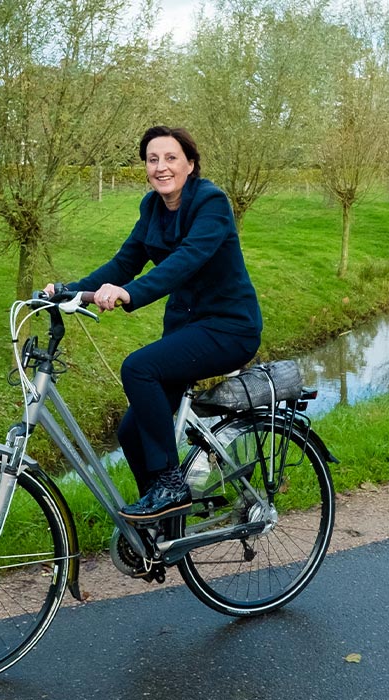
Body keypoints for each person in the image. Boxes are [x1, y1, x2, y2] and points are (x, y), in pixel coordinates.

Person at [46, 125, 263, 521]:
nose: (161, 167)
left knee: (139, 367)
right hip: (188, 332)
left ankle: (171, 487)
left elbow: (187, 260)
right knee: (131, 433)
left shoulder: (211, 203)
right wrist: (67, 290)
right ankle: (163, 528)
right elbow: (124, 262)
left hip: (229, 328)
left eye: (170, 158)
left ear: (190, 164)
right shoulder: (152, 209)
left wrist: (130, 293)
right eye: (152, 159)